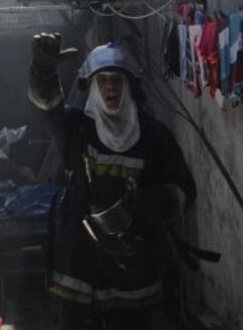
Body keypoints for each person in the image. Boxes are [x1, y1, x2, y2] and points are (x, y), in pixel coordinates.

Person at [29, 34, 197, 329]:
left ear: (130, 84)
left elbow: (184, 190)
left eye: (117, 79)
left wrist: (156, 200)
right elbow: (47, 106)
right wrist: (42, 70)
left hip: (134, 262)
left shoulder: (154, 135)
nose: (110, 86)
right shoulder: (76, 129)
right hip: (80, 259)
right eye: (103, 79)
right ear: (92, 86)